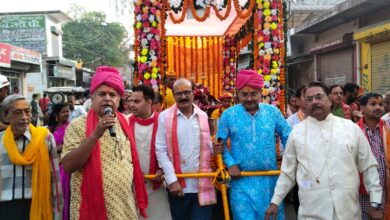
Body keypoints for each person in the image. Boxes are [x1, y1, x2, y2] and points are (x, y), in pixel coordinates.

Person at [265, 81, 383, 220]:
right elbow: (287, 173)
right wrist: (275, 201)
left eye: (319, 97)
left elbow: (368, 166)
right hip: (312, 211)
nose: (314, 102)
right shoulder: (296, 133)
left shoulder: (351, 128)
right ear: (304, 104)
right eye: (309, 99)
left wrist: (375, 201)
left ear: (329, 100)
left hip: (348, 211)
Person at [61, 66, 148, 219]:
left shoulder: (124, 122)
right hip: (91, 209)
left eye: (112, 94)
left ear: (119, 99)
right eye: (102, 94)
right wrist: (95, 134)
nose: (107, 98)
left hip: (124, 208)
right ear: (92, 97)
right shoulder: (77, 125)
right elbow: (68, 166)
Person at [215, 69, 291, 219]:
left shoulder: (273, 112)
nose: (249, 98)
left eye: (253, 94)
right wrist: (230, 164)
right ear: (238, 94)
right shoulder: (228, 115)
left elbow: (288, 136)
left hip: (270, 180)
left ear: (260, 93)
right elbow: (219, 143)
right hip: (241, 181)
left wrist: (289, 160)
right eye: (244, 94)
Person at [156, 78, 216, 220]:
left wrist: (218, 147)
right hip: (178, 187)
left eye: (187, 92)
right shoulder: (164, 117)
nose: (183, 97)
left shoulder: (203, 116)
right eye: (179, 93)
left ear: (193, 93)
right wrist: (171, 180)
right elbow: (160, 150)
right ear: (173, 95)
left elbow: (208, 147)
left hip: (202, 186)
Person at [0, 94, 62, 219]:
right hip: (5, 209)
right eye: (17, 112)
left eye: (27, 112)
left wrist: (57, 213)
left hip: (37, 206)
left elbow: (54, 180)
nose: (24, 117)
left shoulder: (45, 138)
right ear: (5, 116)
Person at [128, 85, 171, 219]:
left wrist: (162, 169)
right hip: (132, 186)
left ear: (149, 102)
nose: (131, 105)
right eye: (130, 101)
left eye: (136, 101)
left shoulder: (163, 122)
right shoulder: (125, 122)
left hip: (157, 187)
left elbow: (172, 150)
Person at [358, 93, 390, 219]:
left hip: (385, 190)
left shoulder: (387, 128)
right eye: (373, 104)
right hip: (363, 196)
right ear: (362, 109)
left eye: (381, 104)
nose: (378, 107)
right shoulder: (354, 131)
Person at [47, 103, 71, 220]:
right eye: (64, 112)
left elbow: (70, 146)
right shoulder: (49, 129)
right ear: (56, 115)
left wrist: (56, 147)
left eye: (68, 111)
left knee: (63, 194)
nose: (67, 114)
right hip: (50, 164)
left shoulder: (70, 127)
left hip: (63, 165)